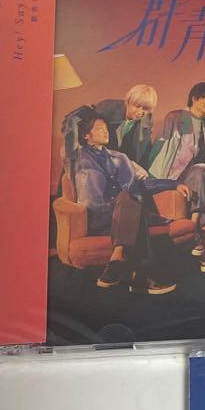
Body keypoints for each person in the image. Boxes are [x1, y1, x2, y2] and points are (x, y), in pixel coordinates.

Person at [71, 113, 187, 295]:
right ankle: (143, 275)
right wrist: (122, 205)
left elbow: (140, 184)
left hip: (128, 212)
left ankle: (117, 261)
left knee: (130, 202)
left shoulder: (119, 157)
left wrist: (173, 184)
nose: (106, 132)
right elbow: (92, 199)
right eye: (99, 129)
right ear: (86, 135)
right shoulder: (81, 159)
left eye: (106, 128)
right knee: (130, 203)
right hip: (100, 216)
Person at [147, 81, 205, 272]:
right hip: (177, 176)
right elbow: (161, 147)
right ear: (194, 98)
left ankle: (198, 233)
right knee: (202, 174)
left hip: (201, 178)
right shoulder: (175, 117)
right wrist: (156, 178)